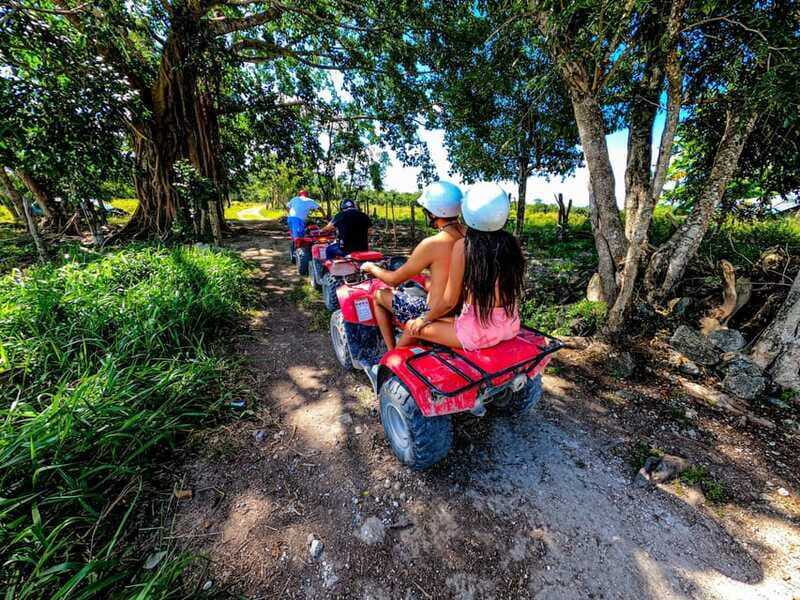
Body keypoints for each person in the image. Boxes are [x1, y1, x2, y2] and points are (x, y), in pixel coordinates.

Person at [402, 182, 524, 350]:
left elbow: (448, 303)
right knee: (440, 320)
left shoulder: (465, 246)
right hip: (510, 325)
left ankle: (387, 370)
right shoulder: (511, 244)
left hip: (477, 332)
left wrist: (423, 319)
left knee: (410, 327)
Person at [359, 181, 465, 351]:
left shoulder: (432, 243)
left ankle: (391, 350)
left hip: (432, 313)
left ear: (432, 213)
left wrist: (372, 267)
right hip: (461, 310)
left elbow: (394, 279)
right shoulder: (471, 235)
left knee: (378, 295)